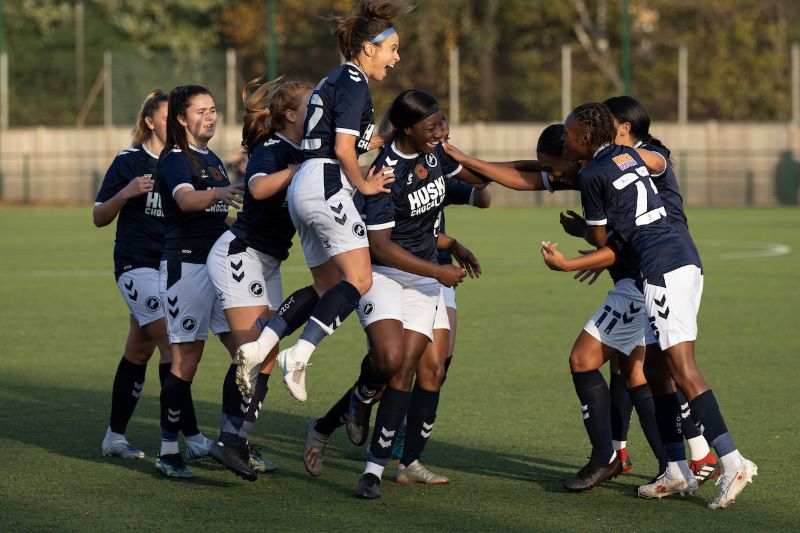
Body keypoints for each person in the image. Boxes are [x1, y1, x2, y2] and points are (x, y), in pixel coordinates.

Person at [541, 102, 756, 510]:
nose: (565, 142)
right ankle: (676, 469)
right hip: (680, 256)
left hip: (660, 267)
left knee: (682, 368)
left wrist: (569, 258)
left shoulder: (590, 173)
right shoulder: (626, 155)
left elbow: (605, 243)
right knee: (657, 369)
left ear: (585, 138)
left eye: (568, 136)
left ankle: (733, 462)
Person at [301, 90, 480, 499]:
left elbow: (478, 186)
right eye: (433, 126)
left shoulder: (435, 156)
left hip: (424, 280)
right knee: (391, 360)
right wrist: (438, 266)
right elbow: (380, 246)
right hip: (384, 274)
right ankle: (359, 401)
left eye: (442, 123)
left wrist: (544, 174)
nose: (442, 131)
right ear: (407, 129)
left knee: (407, 369)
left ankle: (375, 470)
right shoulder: (385, 174)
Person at [235, 0, 414, 403]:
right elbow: (346, 149)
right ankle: (299, 355)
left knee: (326, 284)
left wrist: (388, 137)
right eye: (392, 49)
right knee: (360, 280)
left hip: (305, 187)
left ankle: (261, 346)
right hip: (327, 185)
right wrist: (364, 187)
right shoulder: (353, 82)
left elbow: (348, 139)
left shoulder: (333, 80)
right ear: (369, 48)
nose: (396, 57)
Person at [205, 76, 313, 480]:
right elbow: (259, 186)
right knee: (254, 352)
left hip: (269, 262)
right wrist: (297, 169)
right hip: (240, 255)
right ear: (289, 114)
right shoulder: (275, 147)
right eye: (310, 105)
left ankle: (234, 442)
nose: (319, 110)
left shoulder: (304, 149)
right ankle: (227, 443)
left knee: (263, 358)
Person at [94, 89, 209, 459]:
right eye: (164, 116)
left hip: (172, 265)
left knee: (140, 348)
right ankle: (190, 439)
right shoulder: (129, 161)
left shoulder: (185, 162)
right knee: (174, 345)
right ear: (150, 122)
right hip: (136, 265)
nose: (172, 121)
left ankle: (114, 436)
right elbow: (99, 216)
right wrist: (125, 193)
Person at [154, 85, 244, 478]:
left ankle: (234, 443)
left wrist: (245, 226)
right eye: (201, 111)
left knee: (248, 353)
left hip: (219, 268)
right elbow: (188, 201)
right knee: (185, 362)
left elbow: (216, 214)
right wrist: (219, 191)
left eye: (213, 110)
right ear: (180, 118)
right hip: (185, 268)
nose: (211, 116)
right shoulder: (175, 158)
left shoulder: (214, 159)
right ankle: (168, 451)